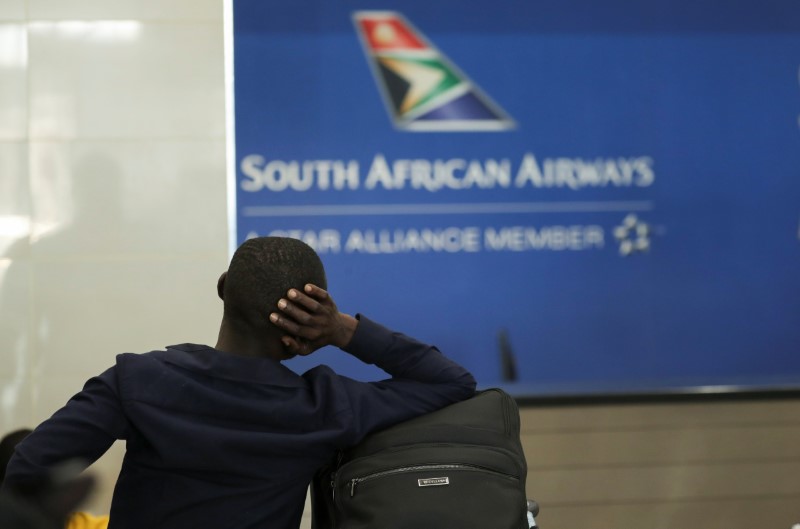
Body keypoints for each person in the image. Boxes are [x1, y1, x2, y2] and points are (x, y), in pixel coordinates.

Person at [2, 236, 476, 529]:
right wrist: (341, 330)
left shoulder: (138, 381)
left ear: (223, 288)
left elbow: (25, 472)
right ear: (308, 322)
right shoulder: (328, 407)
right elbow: (449, 381)